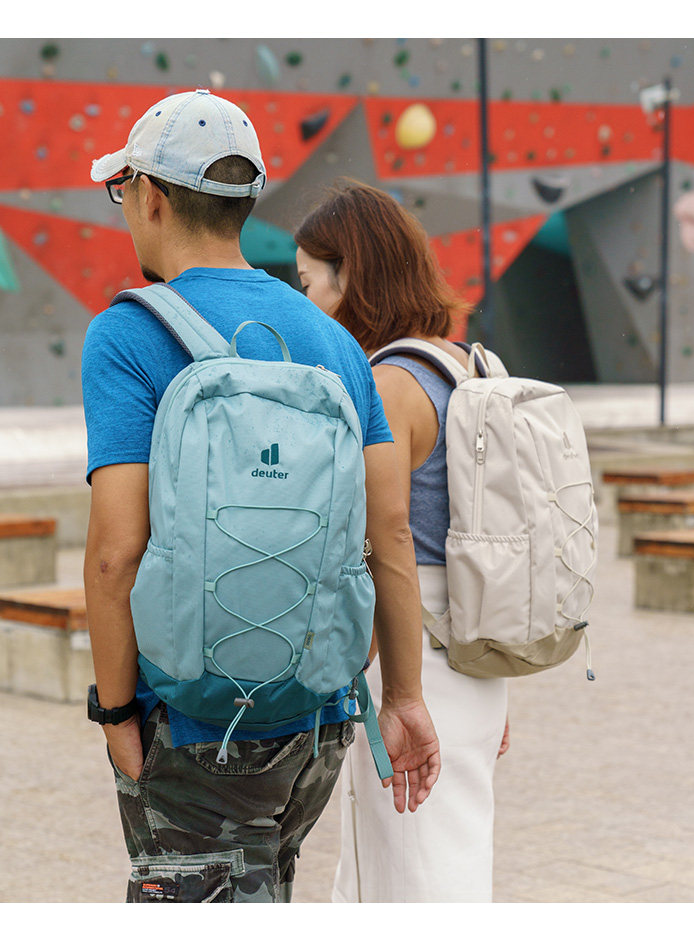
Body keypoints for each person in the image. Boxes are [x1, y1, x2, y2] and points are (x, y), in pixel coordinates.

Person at [81, 91, 439, 904]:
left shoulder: (128, 334)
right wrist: (406, 697)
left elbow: (114, 554)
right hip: (316, 714)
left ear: (151, 196)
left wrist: (115, 715)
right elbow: (390, 532)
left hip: (190, 719)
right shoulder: (333, 342)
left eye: (122, 189)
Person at [294, 179, 509, 903]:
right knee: (447, 854)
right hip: (474, 644)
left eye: (308, 282)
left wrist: (397, 690)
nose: (304, 302)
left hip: (412, 652)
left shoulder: (387, 383)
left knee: (406, 868)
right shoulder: (465, 364)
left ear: (349, 276)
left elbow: (384, 538)